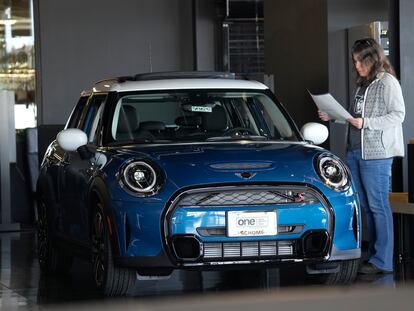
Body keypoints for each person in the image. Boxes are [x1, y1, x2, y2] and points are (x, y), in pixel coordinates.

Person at [318, 38, 405, 274]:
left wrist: (367, 122)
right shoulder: (363, 85)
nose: (356, 66)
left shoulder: (387, 83)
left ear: (372, 59)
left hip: (376, 154)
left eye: (360, 61)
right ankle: (374, 254)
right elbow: (354, 119)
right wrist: (332, 117)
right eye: (354, 61)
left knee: (378, 206)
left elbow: (399, 115)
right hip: (355, 151)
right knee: (365, 206)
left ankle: (383, 260)